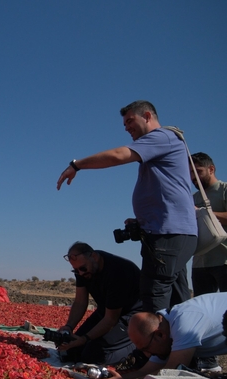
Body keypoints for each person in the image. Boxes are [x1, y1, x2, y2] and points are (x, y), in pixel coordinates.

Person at [57, 100, 197, 313]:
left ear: (148, 116)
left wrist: (77, 165)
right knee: (177, 298)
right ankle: (180, 343)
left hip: (167, 235)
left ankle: (154, 344)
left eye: (130, 121)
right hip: (166, 232)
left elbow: (118, 155)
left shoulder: (162, 137)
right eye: (124, 124)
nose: (126, 127)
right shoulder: (163, 144)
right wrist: (142, 220)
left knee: (154, 296)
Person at [97, 293, 227, 379]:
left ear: (160, 335)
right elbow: (147, 371)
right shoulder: (162, 329)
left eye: (146, 348)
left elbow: (171, 374)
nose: (147, 355)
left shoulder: (184, 326)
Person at [56, 242, 143, 365]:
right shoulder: (83, 269)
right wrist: (69, 327)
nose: (80, 273)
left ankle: (139, 347)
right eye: (75, 270)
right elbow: (80, 301)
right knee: (71, 350)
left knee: (95, 356)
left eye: (82, 268)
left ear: (94, 257)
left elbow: (111, 320)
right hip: (105, 311)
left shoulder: (118, 272)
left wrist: (85, 338)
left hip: (131, 316)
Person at [189, 152, 227, 371]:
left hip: (224, 260)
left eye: (198, 172)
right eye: (191, 174)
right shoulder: (192, 198)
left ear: (211, 169)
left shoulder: (223, 190)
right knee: (203, 314)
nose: (194, 178)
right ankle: (209, 362)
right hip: (200, 263)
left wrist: (205, 213)